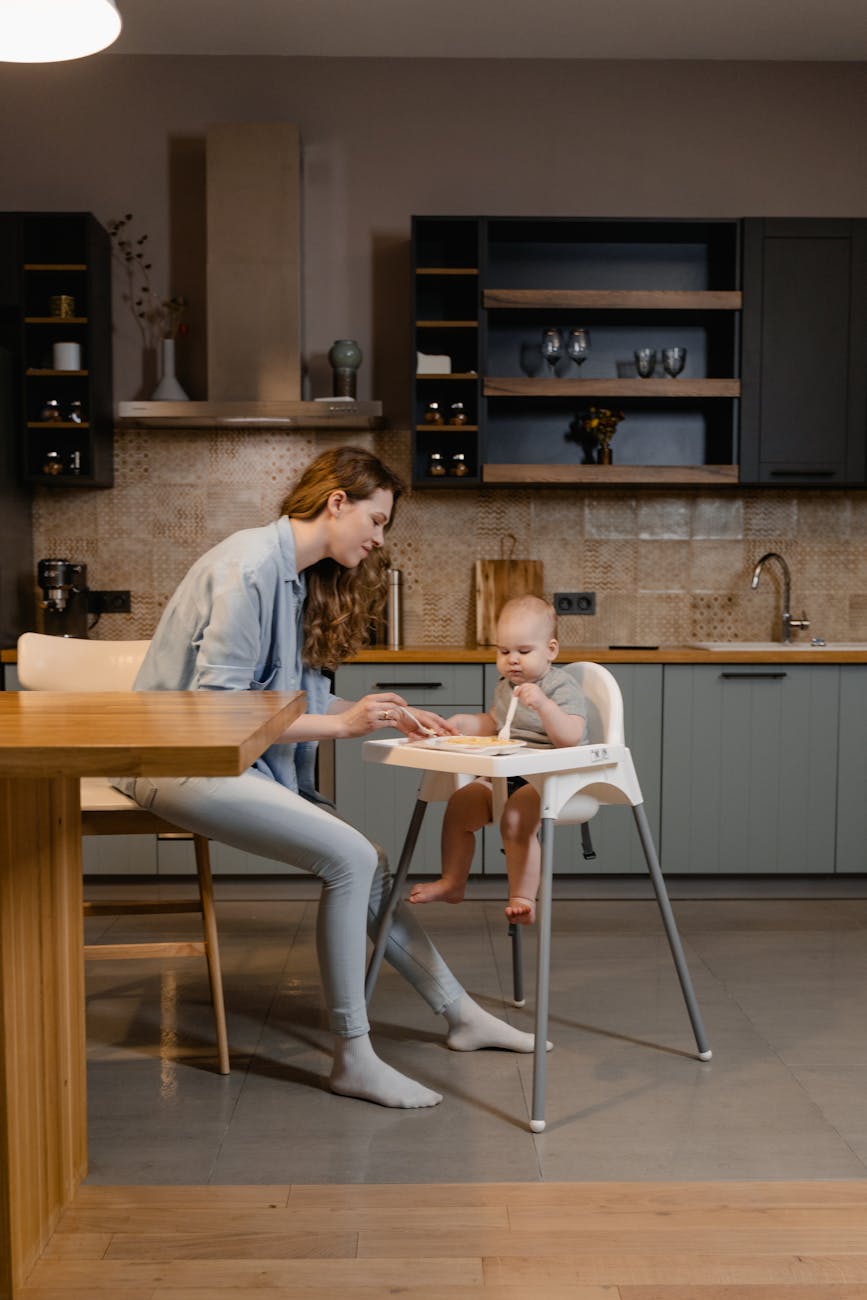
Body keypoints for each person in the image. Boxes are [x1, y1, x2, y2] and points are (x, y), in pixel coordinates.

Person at [114, 445, 542, 1111]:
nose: (377, 540)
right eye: (375, 520)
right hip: (173, 764)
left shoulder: (295, 578)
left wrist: (379, 713)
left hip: (224, 760)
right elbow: (223, 716)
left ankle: (459, 1015)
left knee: (364, 863)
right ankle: (353, 1055)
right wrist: (343, 728)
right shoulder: (248, 568)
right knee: (350, 857)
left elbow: (292, 706)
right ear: (336, 502)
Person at [409, 595, 586, 924]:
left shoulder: (561, 686)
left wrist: (544, 705)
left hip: (550, 775)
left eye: (523, 651)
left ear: (551, 650)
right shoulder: (506, 686)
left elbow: (571, 736)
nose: (512, 661)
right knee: (460, 805)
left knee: (516, 820)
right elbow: (496, 724)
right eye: (504, 652)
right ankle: (452, 882)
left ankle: (523, 898)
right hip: (507, 772)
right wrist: (462, 724)